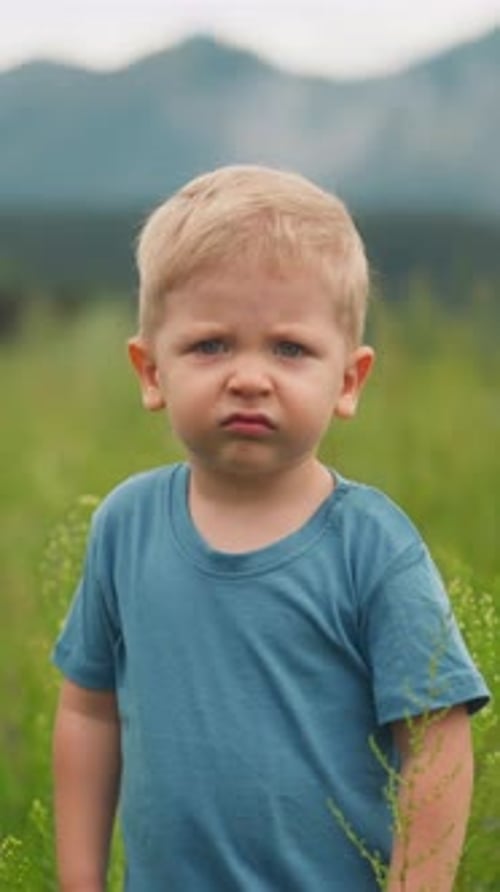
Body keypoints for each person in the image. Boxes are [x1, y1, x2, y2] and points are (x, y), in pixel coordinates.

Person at [52, 164, 489, 892]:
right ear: (150, 369)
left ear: (348, 381)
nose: (249, 377)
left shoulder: (371, 546)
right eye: (211, 345)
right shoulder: (126, 525)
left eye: (289, 348)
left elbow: (438, 742)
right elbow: (88, 714)